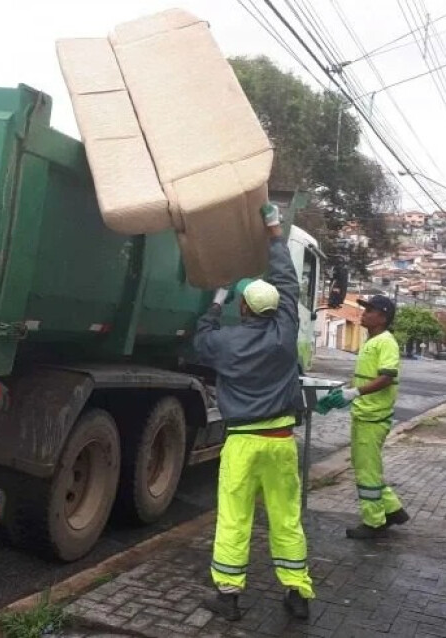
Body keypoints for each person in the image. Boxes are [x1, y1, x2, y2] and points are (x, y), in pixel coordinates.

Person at [193, 202, 313, 622]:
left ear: (242, 308)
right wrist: (274, 232)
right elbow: (287, 283)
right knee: (285, 518)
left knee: (234, 517)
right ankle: (297, 591)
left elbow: (202, 337)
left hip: (242, 444)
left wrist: (217, 299)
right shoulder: (284, 336)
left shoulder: (224, 344)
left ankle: (228, 596)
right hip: (280, 443)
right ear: (276, 309)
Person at [316, 295, 411, 539]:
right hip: (366, 413)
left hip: (373, 417)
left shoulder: (385, 342)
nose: (363, 313)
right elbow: (367, 377)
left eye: (369, 310)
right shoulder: (373, 341)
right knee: (367, 467)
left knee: (366, 472)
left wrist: (353, 393)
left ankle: (374, 522)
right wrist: (346, 390)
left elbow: (386, 376)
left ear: (382, 316)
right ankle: (393, 510)